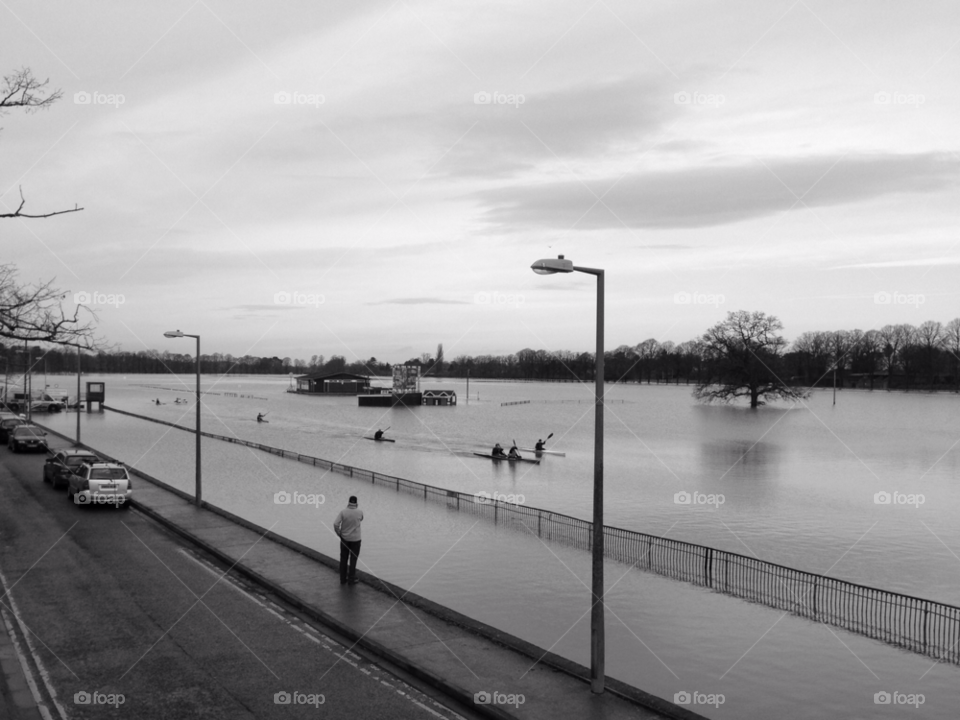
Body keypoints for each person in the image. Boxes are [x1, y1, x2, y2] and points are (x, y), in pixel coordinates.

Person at [334, 496, 363, 585]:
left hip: (345, 539)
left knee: (343, 558)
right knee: (353, 559)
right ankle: (351, 579)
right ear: (356, 503)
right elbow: (361, 519)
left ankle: (343, 579)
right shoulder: (360, 512)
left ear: (348, 503)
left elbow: (336, 524)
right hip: (356, 539)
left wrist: (339, 534)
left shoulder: (343, 512)